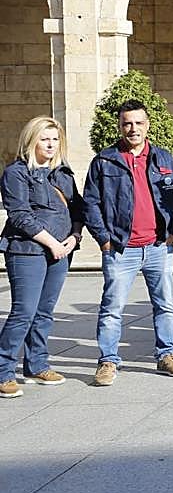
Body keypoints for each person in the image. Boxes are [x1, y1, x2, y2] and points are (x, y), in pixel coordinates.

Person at [84, 100, 173, 386]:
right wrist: (104, 240)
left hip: (158, 247)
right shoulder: (105, 161)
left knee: (165, 305)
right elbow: (91, 203)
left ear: (148, 125)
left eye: (139, 123)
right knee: (112, 307)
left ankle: (167, 354)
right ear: (120, 126)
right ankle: (107, 361)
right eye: (127, 123)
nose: (133, 129)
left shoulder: (163, 159)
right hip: (120, 249)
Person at [0, 117, 84, 398]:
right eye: (44, 138)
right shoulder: (16, 173)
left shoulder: (62, 173)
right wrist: (52, 243)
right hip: (27, 251)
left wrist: (74, 237)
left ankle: (37, 364)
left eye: (55, 139)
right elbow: (19, 214)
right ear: (31, 140)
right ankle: (3, 370)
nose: (50, 144)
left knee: (44, 312)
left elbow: (77, 209)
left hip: (61, 251)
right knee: (23, 312)